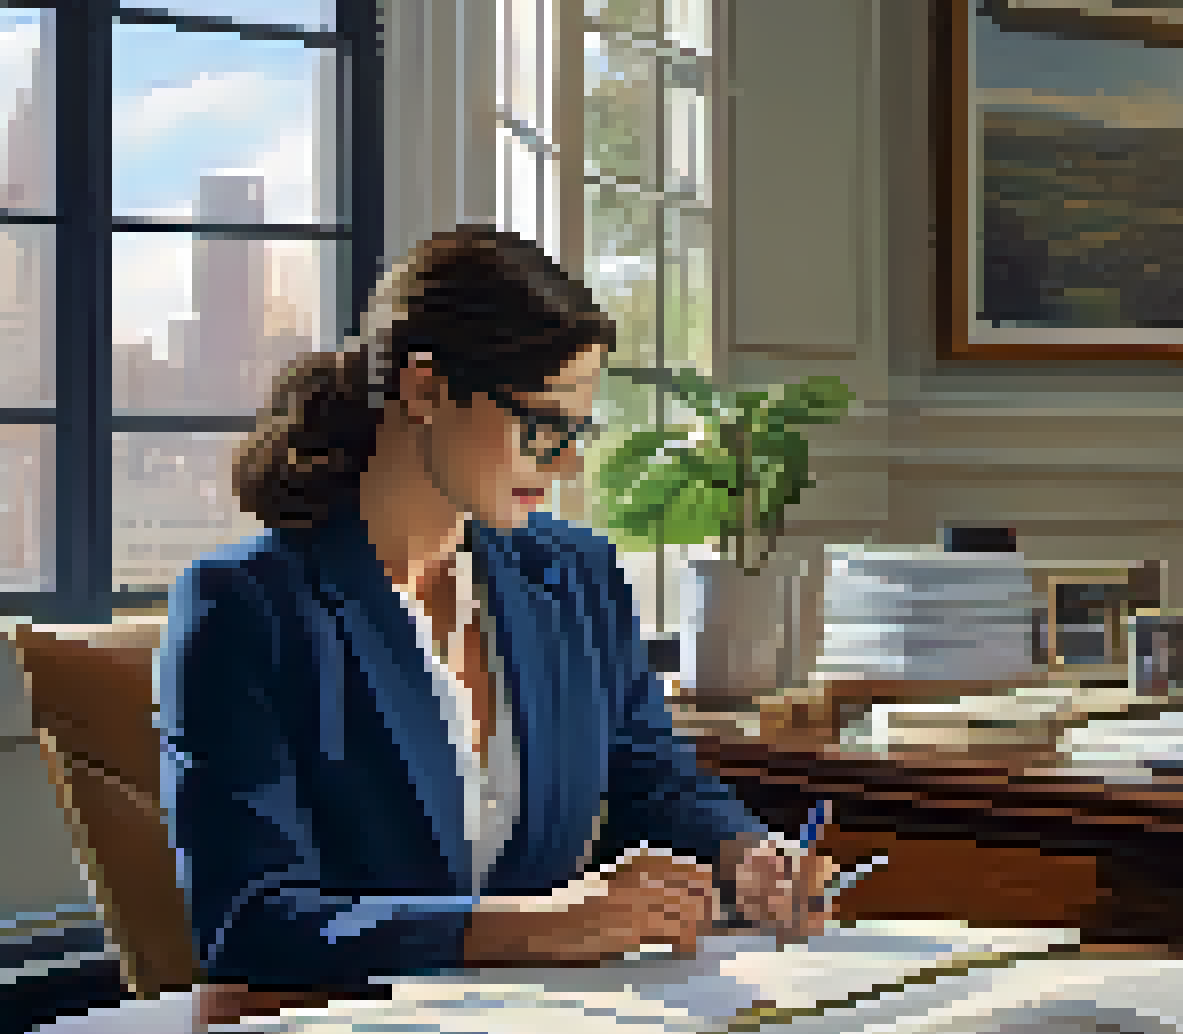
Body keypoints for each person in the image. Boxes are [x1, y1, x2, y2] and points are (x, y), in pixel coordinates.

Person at [161, 224, 837, 989]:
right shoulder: (247, 608)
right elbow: (248, 921)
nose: (571, 462)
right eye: (544, 426)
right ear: (424, 390)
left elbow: (652, 777)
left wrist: (744, 856)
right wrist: (536, 928)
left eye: (580, 431)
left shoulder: (577, 576)